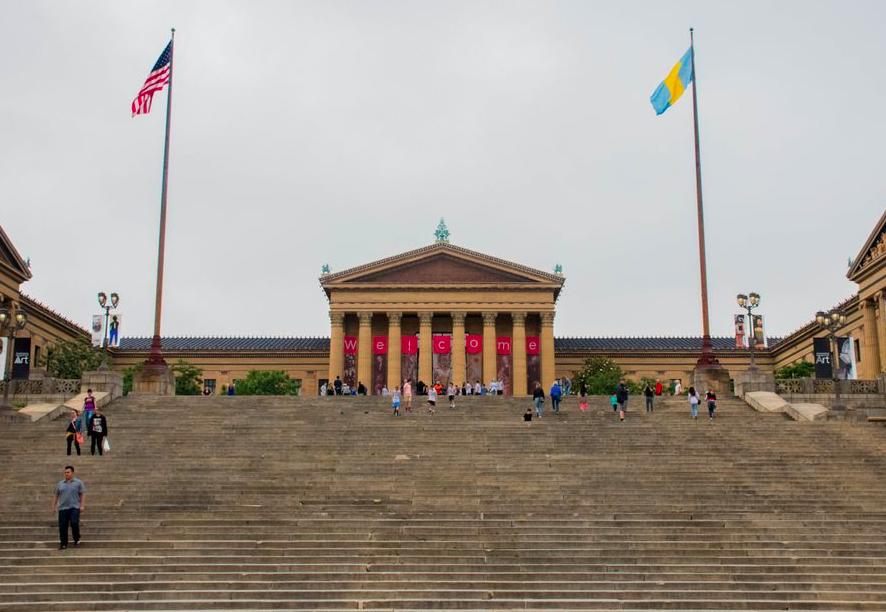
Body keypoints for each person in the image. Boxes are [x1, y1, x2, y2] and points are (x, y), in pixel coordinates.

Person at [52, 465, 85, 550]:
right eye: (65, 472)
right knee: (63, 526)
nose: (66, 474)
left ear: (72, 473)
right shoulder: (60, 484)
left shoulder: (78, 483)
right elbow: (56, 495)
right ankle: (63, 544)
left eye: (68, 472)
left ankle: (76, 538)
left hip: (74, 507)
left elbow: (83, 494)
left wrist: (82, 505)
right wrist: (53, 507)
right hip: (63, 508)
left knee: (74, 522)